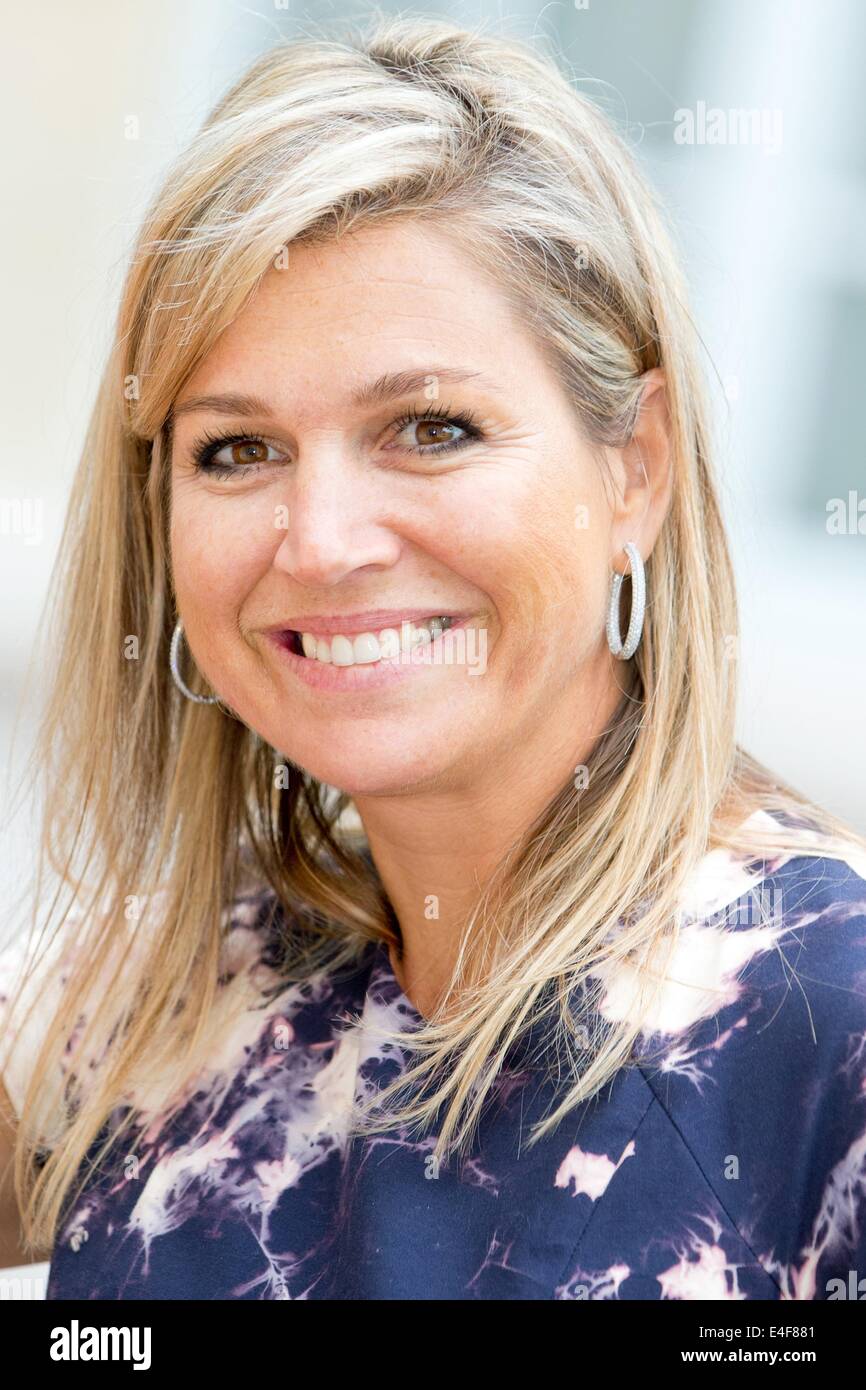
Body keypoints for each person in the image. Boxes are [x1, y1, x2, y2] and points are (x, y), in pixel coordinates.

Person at [1, 15, 865, 1301]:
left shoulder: (819, 1032)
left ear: (635, 468)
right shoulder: (170, 997)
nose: (323, 541)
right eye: (236, 450)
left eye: (430, 426)